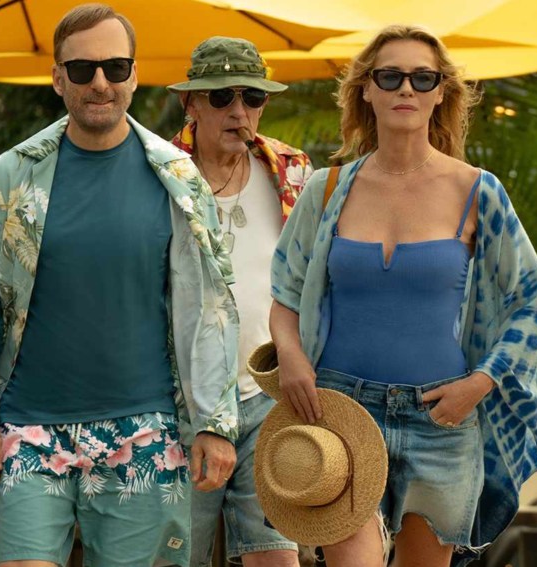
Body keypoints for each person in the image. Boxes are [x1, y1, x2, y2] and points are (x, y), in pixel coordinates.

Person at [0, 4, 240, 566]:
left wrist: (214, 423)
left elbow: (211, 311)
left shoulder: (177, 179)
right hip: (29, 430)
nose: (100, 82)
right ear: (58, 78)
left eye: (115, 67)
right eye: (82, 70)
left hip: (146, 430)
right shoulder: (9, 177)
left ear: (134, 74)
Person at [270, 25, 537, 567]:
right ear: (366, 89)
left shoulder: (477, 190)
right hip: (340, 412)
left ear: (441, 92)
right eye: (390, 76)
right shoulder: (326, 189)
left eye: (423, 78)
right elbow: (284, 295)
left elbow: (531, 301)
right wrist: (291, 356)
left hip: (441, 419)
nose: (406, 88)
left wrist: (479, 383)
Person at [167, 36, 311, 567]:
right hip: (179, 401)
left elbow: (311, 278)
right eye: (222, 96)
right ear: (191, 102)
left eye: (252, 97)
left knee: (277, 556)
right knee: (174, 556)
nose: (239, 110)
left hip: (269, 391)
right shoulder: (157, 172)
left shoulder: (292, 169)